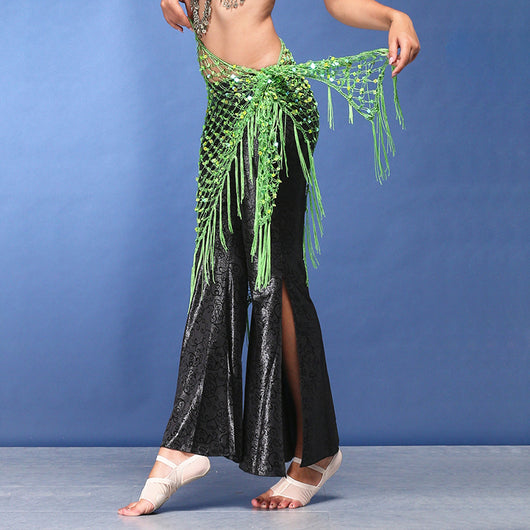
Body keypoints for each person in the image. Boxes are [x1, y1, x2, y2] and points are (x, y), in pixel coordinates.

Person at [118, 0, 419, 516]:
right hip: (225, 107)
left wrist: (396, 18)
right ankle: (186, 444)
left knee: (273, 276)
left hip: (271, 105)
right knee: (216, 268)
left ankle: (313, 453)